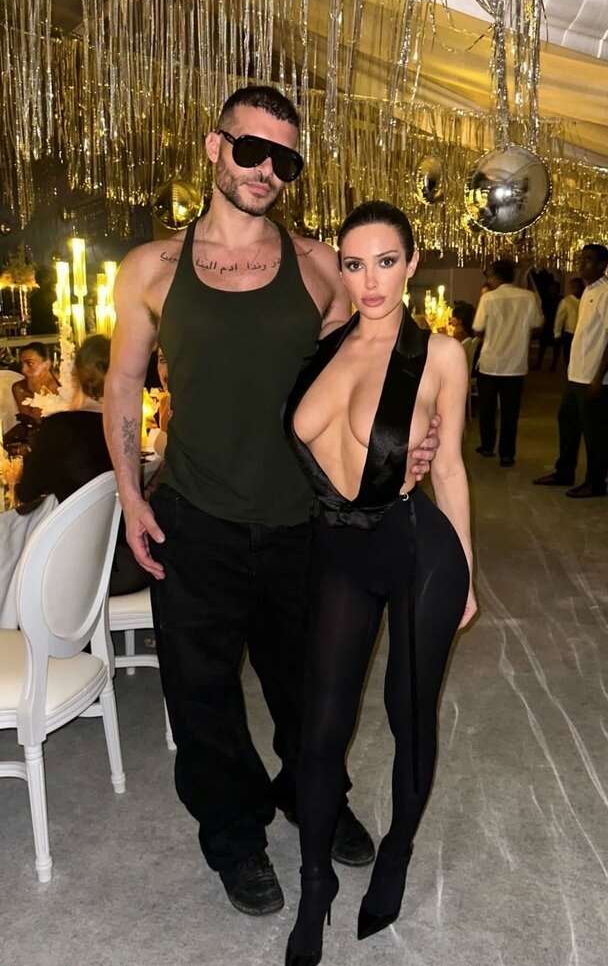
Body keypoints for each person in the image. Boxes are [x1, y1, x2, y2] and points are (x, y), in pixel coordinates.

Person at [103, 85, 439, 916]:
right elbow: (121, 386)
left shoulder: (320, 267)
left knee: (312, 687)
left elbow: (373, 360)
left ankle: (311, 791)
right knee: (202, 695)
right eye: (250, 150)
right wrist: (129, 496)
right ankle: (234, 833)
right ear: (214, 146)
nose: (266, 171)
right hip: (194, 515)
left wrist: (413, 435)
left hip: (306, 521)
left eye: (284, 160)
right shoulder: (151, 269)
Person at [283, 201, 475, 965]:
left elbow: (448, 467)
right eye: (355, 263)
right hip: (340, 548)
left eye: (386, 261)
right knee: (319, 730)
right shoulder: (324, 348)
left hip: (417, 548)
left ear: (412, 263)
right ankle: (316, 883)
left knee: (407, 712)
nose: (371, 280)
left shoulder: (439, 355)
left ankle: (396, 850)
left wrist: (468, 574)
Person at [17, 334, 150, 595]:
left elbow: (26, 493)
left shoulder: (58, 428)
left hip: (85, 572)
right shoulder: (127, 431)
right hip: (132, 563)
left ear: (75, 376)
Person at [533, 244, 608, 498]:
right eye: (580, 258)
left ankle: (596, 482)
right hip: (577, 374)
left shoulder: (605, 292)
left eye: (588, 259)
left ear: (602, 265)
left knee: (594, 433)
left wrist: (598, 378)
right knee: (567, 422)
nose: (581, 263)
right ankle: (564, 471)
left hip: (593, 377)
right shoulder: (589, 290)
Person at [473, 258, 543, 467]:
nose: (489, 280)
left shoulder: (488, 298)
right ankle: (507, 454)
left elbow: (477, 328)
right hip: (516, 364)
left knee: (487, 409)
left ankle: (487, 446)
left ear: (496, 277)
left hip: (491, 362)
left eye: (490, 276)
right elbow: (537, 325)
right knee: (510, 412)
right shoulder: (528, 297)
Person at [11, 341, 60, 423]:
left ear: (47, 364)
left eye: (30, 363)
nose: (23, 370)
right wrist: (37, 393)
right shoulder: (19, 388)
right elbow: (32, 423)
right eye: (22, 364)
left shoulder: (64, 382)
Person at [553, 276, 583, 369]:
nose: (576, 289)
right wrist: (557, 333)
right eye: (574, 287)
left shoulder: (584, 299)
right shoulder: (566, 301)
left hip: (581, 332)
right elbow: (559, 318)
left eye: (578, 287)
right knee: (568, 353)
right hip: (569, 333)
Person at [534, 278, 561, 371]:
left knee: (556, 347)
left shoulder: (561, 300)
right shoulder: (545, 299)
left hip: (557, 324)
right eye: (551, 288)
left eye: (554, 288)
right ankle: (538, 363)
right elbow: (541, 311)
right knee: (542, 345)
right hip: (547, 324)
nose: (552, 290)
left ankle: (553, 364)